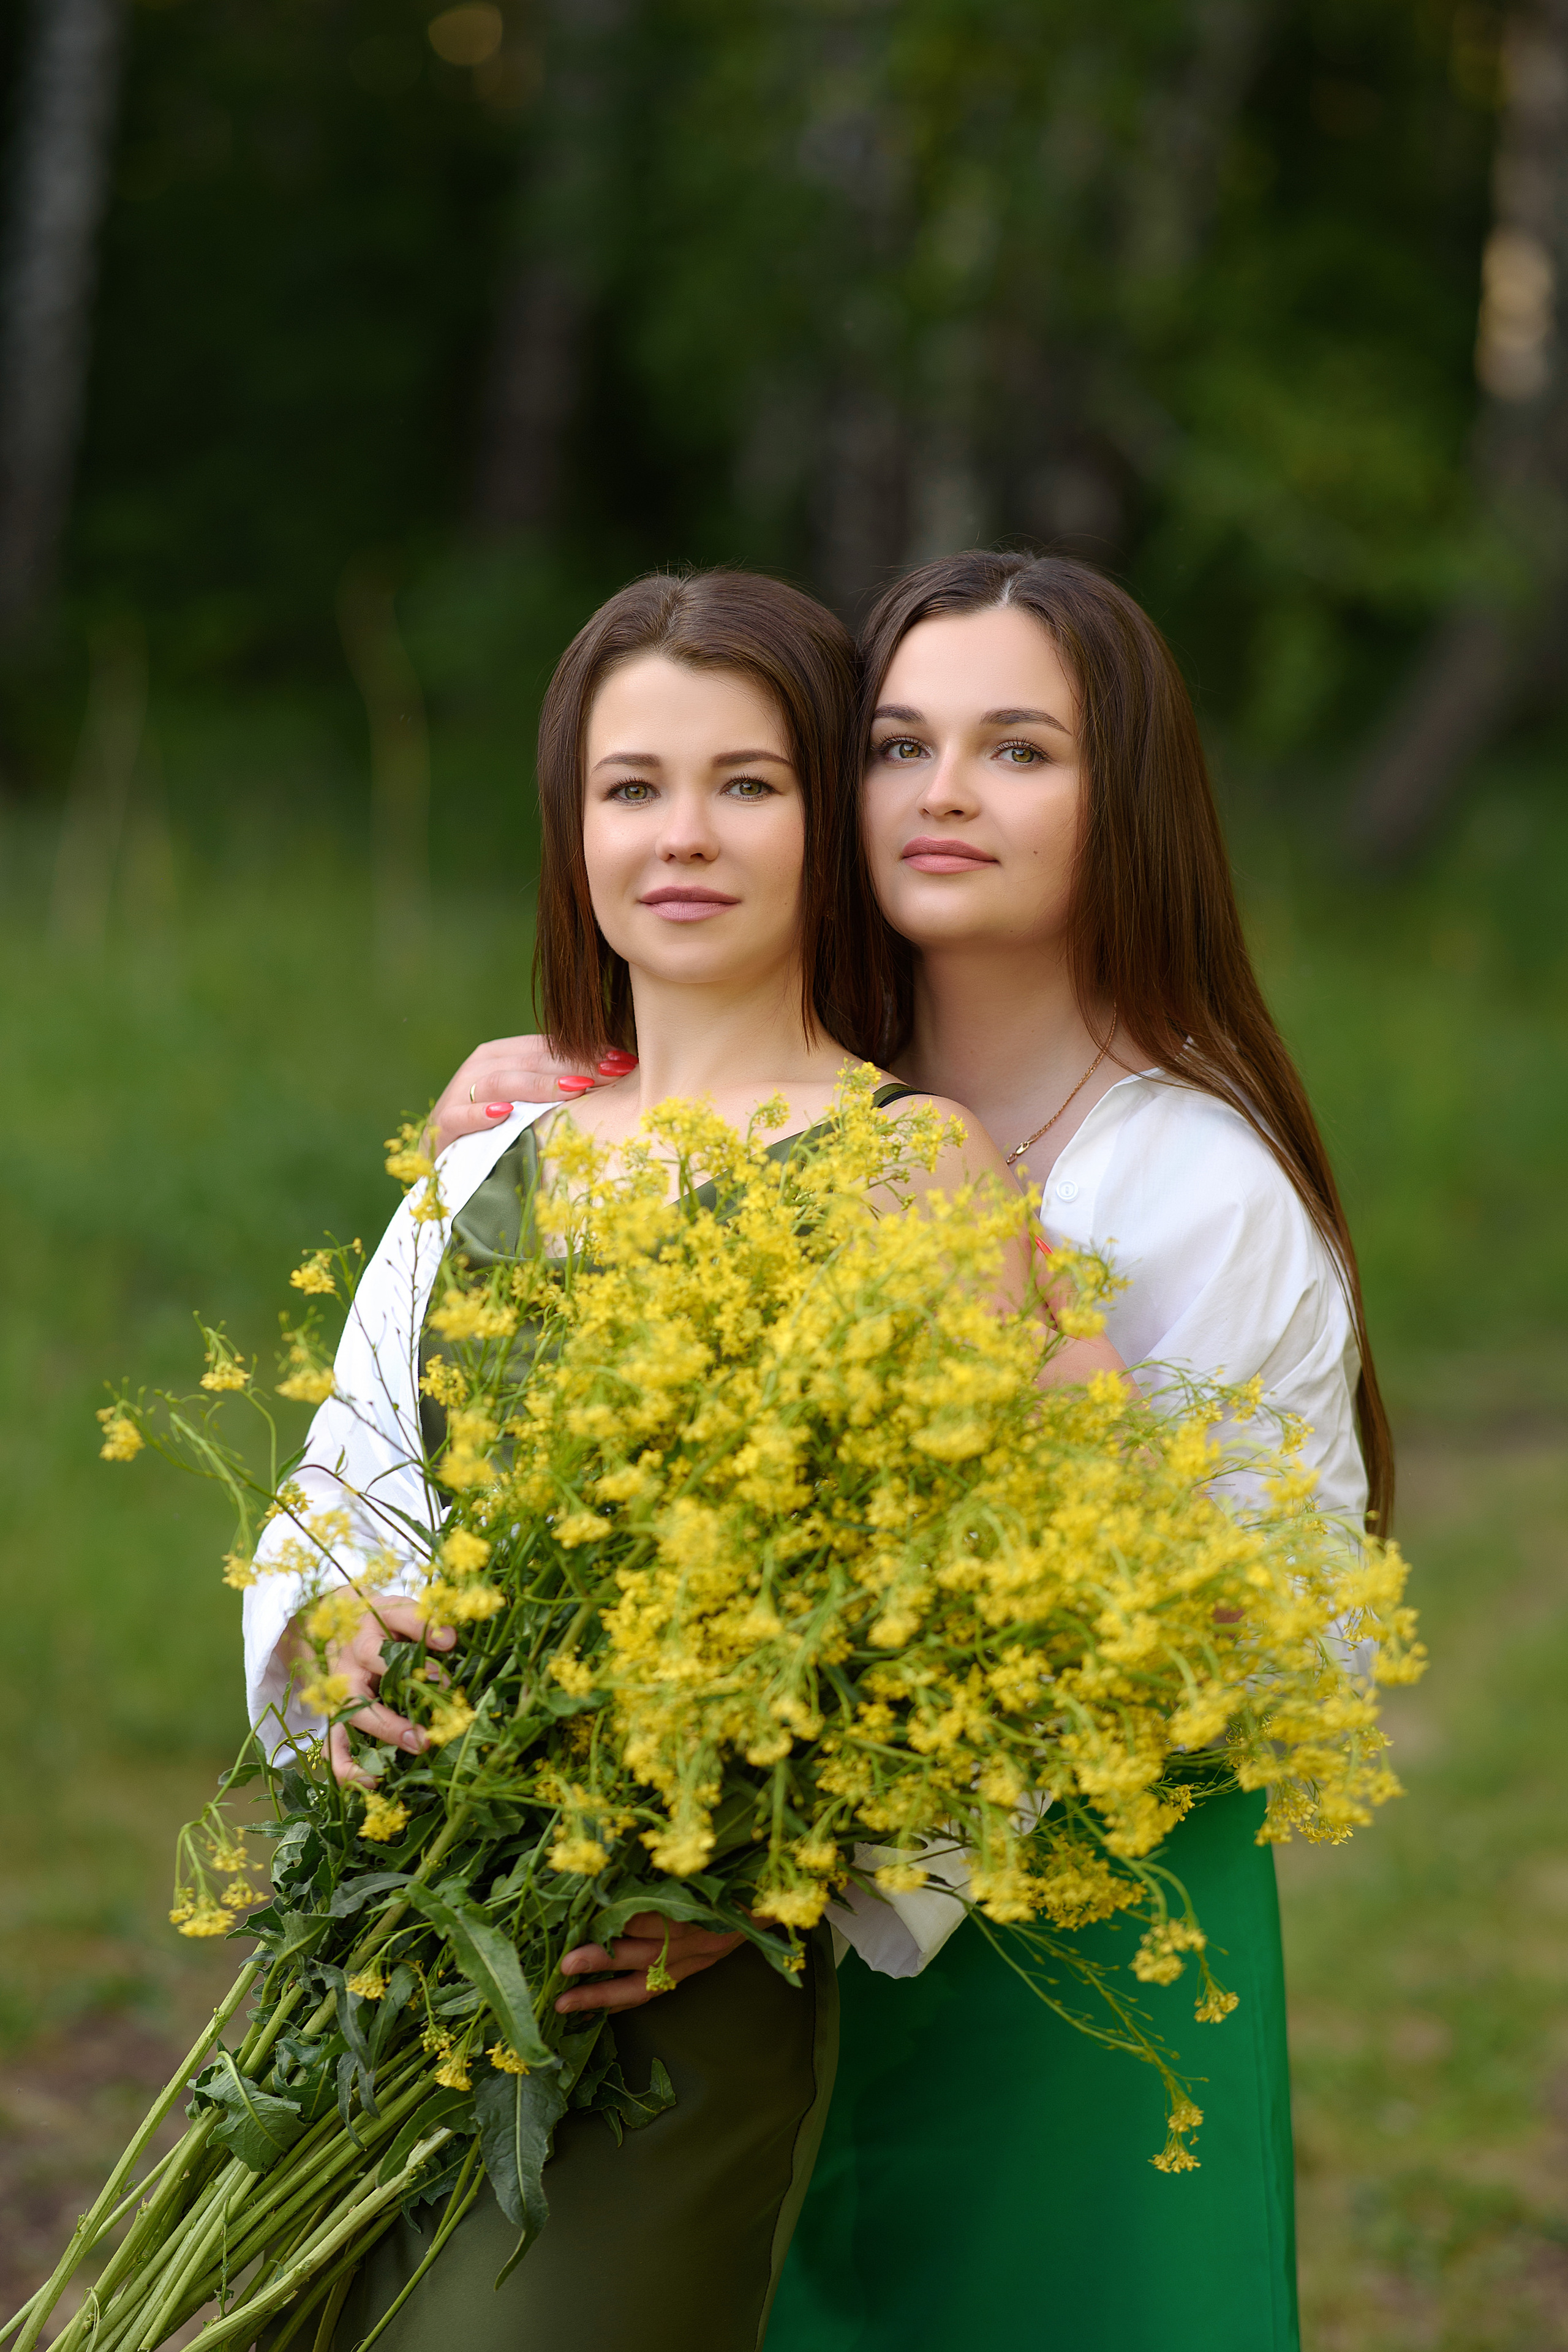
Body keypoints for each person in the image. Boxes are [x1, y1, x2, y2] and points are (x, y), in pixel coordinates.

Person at [425, 550, 1392, 2351]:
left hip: (1077, 1959)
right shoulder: (800, 1127)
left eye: (1019, 749)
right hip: (777, 1967)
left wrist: (798, 1859)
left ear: (1134, 805)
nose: (943, 793)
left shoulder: (1193, 1189)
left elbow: (1237, 1639)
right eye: (893, 744)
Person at [246, 565, 1121, 2352]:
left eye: (750, 783)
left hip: (669, 1988)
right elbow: (345, 1493)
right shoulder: (488, 1164)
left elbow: (1001, 1611)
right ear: (573, 830)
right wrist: (334, 1640)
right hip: (392, 1931)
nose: (683, 838)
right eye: (631, 788)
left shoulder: (913, 1174)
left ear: (828, 815)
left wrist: (777, 1875)